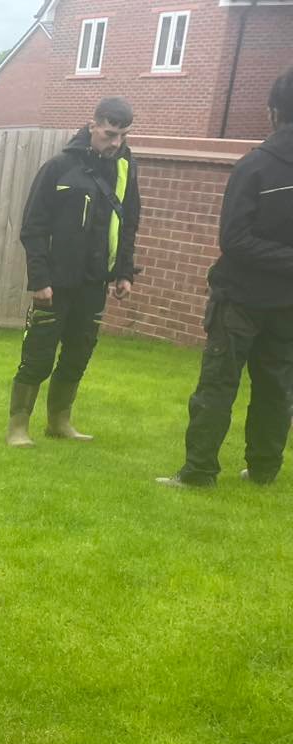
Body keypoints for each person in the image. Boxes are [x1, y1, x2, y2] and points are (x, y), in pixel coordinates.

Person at [157, 67, 293, 489]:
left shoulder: (254, 166)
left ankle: (199, 472)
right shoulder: (256, 164)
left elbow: (233, 239)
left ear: (273, 112)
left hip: (240, 299)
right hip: (286, 302)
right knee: (277, 388)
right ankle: (264, 470)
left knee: (219, 384)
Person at [6, 98, 141, 448]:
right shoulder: (59, 167)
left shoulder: (125, 169)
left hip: (94, 280)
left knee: (78, 353)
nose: (115, 143)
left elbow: (128, 223)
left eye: (122, 136)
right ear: (92, 125)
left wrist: (123, 272)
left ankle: (59, 421)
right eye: (110, 134)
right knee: (38, 354)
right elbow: (33, 227)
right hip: (55, 282)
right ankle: (18, 428)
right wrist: (39, 279)